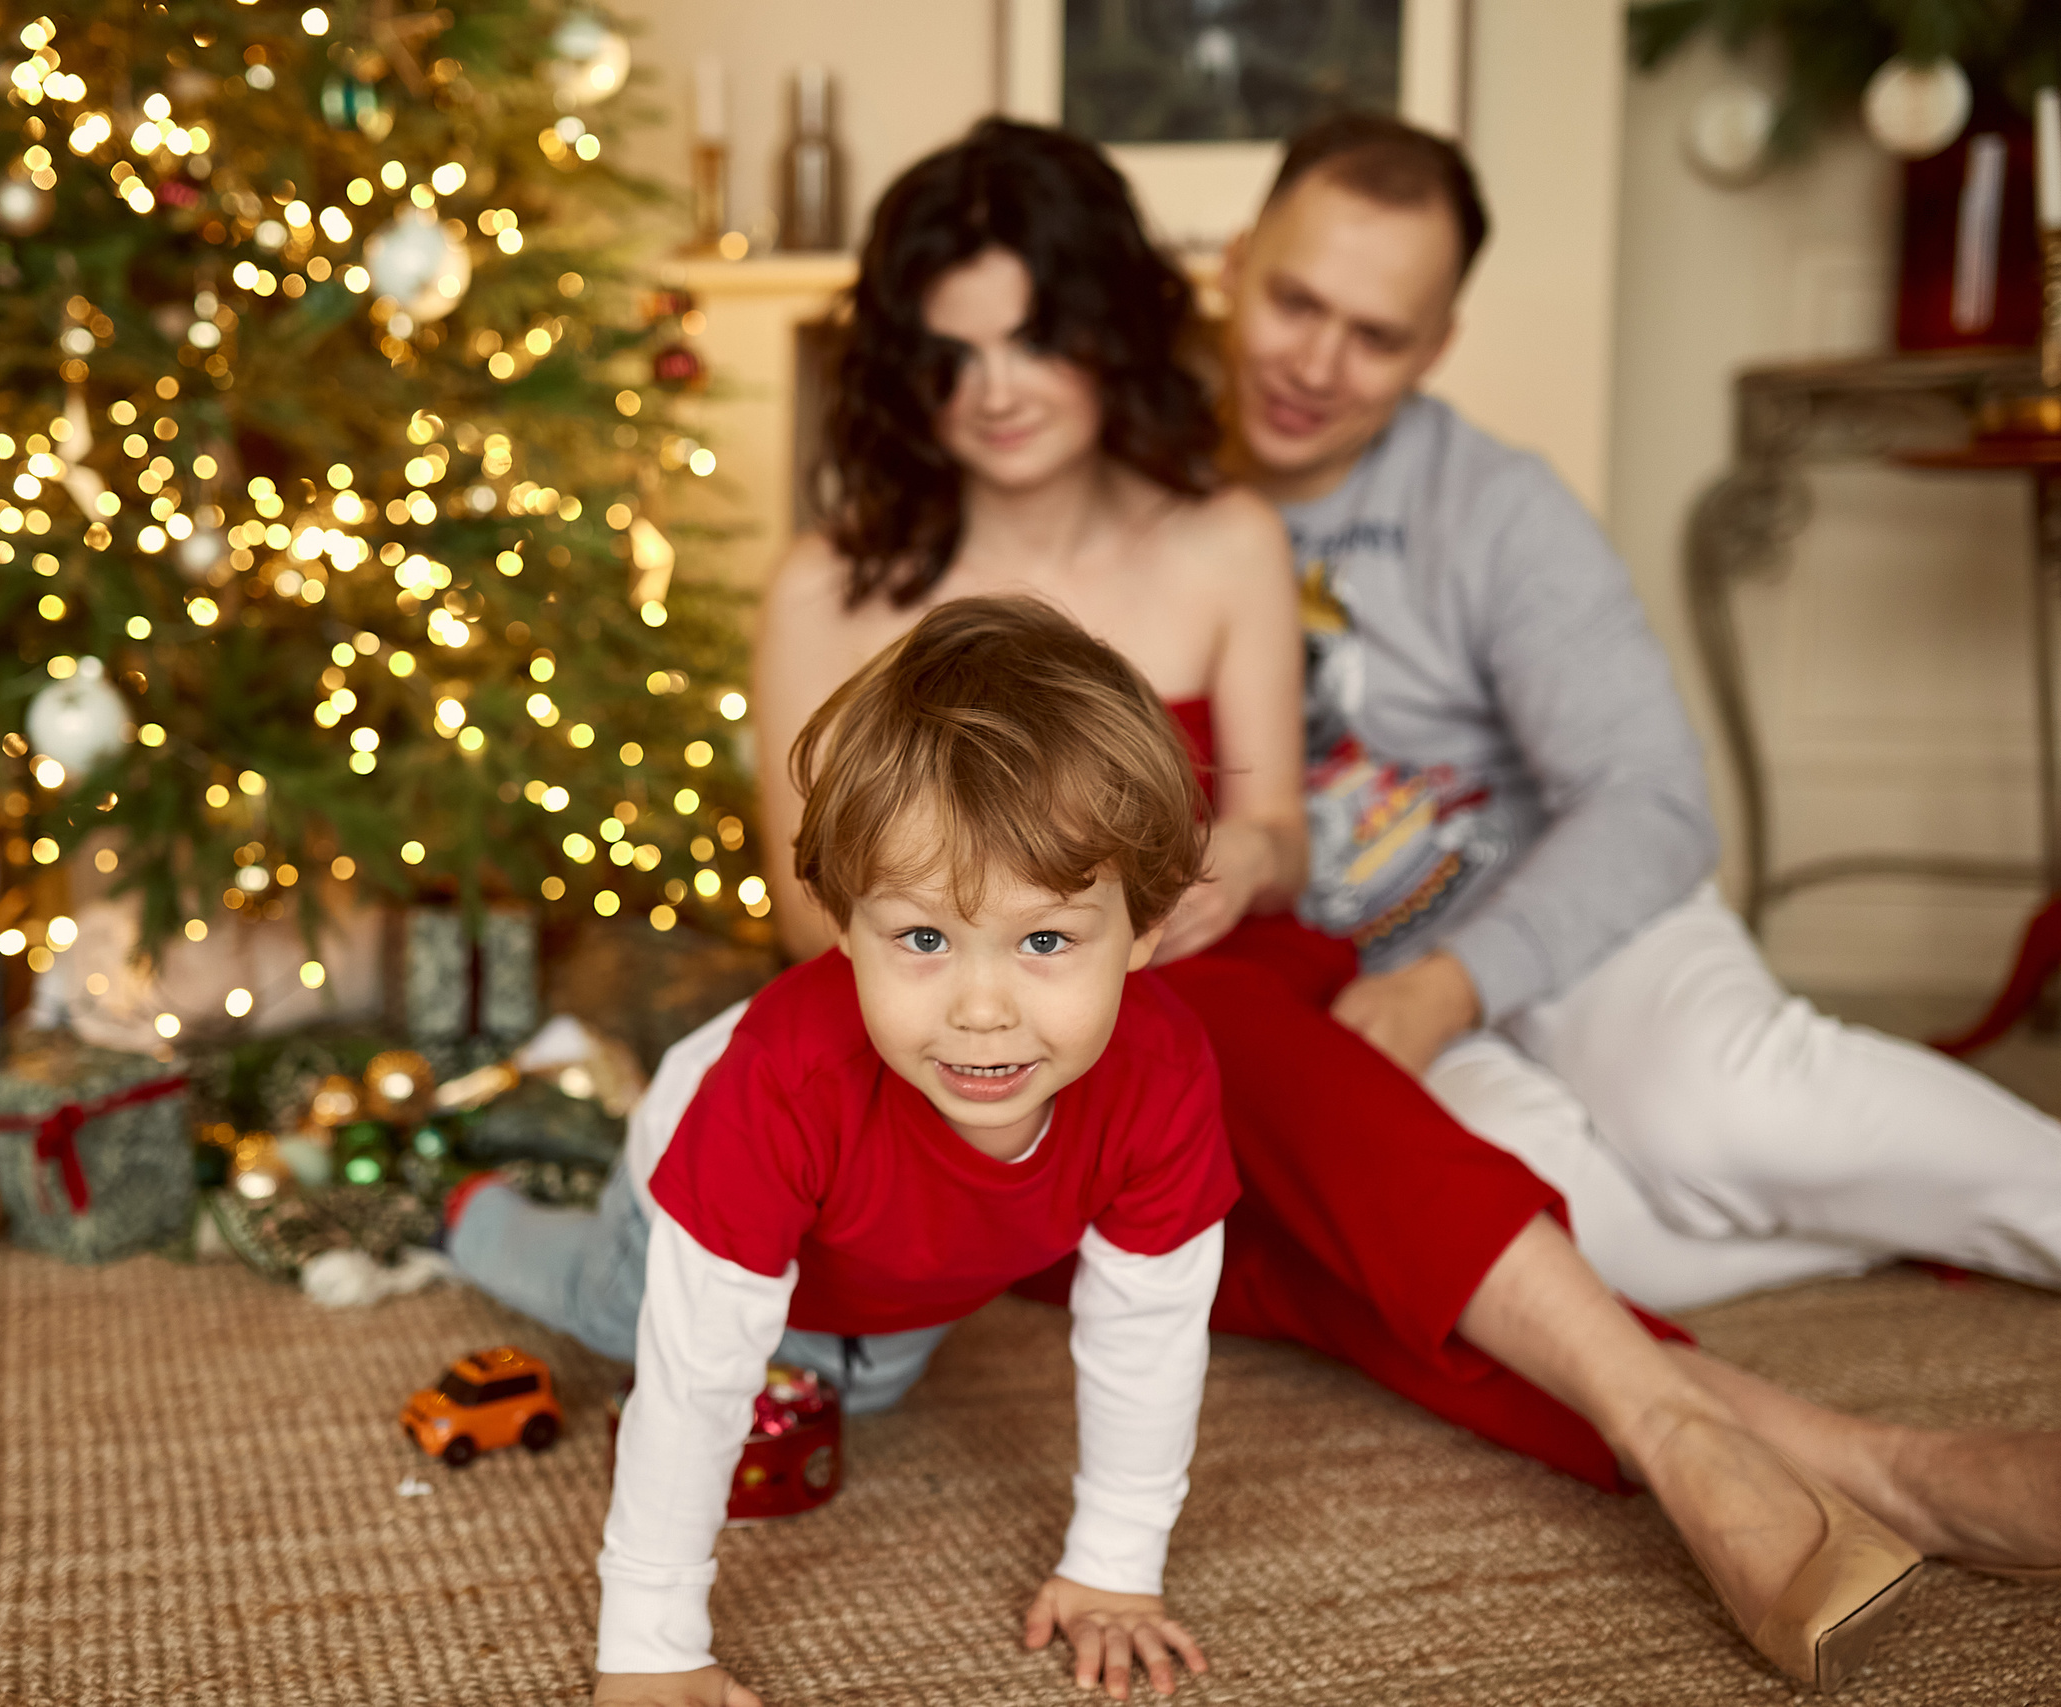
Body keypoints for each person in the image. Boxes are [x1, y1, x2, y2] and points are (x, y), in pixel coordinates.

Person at [751, 117, 2057, 1694]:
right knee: (1341, 1252)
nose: (1002, 388)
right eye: (950, 354)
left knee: (1216, 1028)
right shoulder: (830, 588)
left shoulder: (1224, 530)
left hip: (1242, 988)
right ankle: (1849, 1456)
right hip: (1005, 1076)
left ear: (1110, 322)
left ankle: (1747, 1451)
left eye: (1037, 335)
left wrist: (1234, 861)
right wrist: (1006, 988)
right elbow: (812, 914)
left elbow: (1284, 830)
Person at [1211, 110, 2061, 1315]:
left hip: (1573, 921)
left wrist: (1454, 981)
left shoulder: (1498, 506)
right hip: (1359, 991)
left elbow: (1652, 800)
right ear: (1236, 263)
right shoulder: (1146, 492)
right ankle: (1872, 1224)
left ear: (1438, 345)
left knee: (1731, 1117)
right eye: (1295, 303)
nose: (1313, 366)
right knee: (1555, 1240)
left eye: (1375, 336)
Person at [452, 598, 1241, 1704]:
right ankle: (469, 1207)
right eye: (922, 938)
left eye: (1046, 940)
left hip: (885, 1268)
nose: (981, 1009)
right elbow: (695, 1377)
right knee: (614, 1308)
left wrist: (1114, 1563)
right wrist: (651, 1645)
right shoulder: (786, 1080)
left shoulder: (1160, 1071)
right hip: (694, 1195)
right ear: (838, 919)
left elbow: (1147, 1331)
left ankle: (571, 1137)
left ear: (1144, 929)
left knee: (849, 1392)